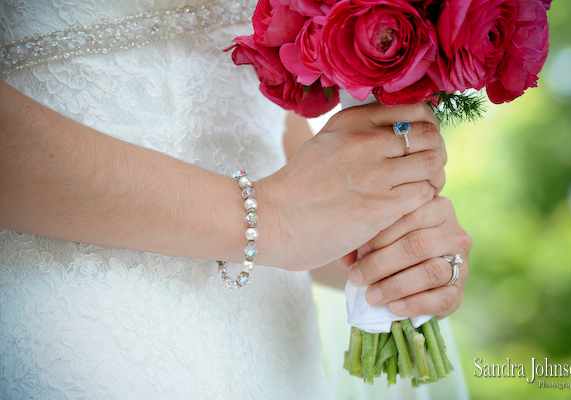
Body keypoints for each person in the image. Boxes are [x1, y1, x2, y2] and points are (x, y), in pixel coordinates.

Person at [0, 1, 471, 398]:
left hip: (274, 344)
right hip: (80, 331)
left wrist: (394, 247)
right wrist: (272, 218)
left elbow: (269, 148)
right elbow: (282, 213)